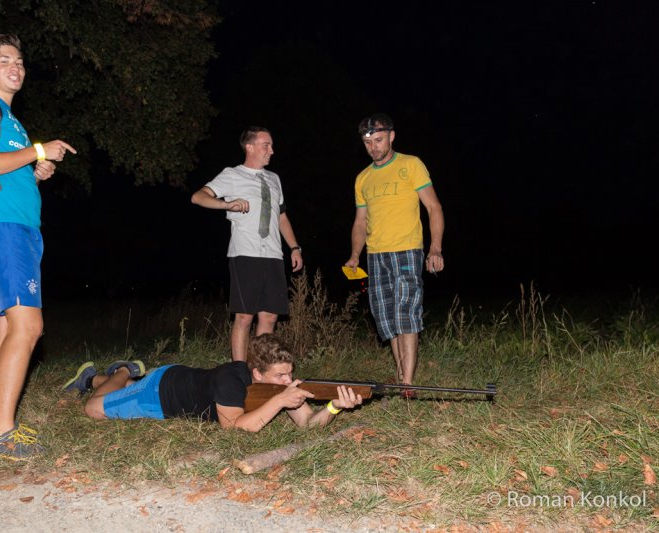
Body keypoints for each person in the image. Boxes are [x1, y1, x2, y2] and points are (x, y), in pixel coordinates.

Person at [0, 34, 76, 460]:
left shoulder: (12, 120)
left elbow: (6, 168)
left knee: (6, 327)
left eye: (20, 60)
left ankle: (0, 422)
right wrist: (38, 150)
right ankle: (1, 434)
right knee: (29, 327)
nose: (15, 66)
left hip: (20, 229)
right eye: (4, 60)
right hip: (2, 228)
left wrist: (34, 170)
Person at [63, 334, 363, 432]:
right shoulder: (230, 381)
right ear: (257, 373)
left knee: (125, 393)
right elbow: (235, 428)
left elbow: (308, 424)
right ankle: (120, 371)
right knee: (92, 409)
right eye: (280, 376)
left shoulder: (274, 388)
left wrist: (334, 407)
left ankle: (106, 379)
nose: (288, 381)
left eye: (289, 373)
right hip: (161, 391)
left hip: (181, 382)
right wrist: (279, 401)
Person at [345, 113, 445, 390]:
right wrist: (355, 254)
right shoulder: (363, 178)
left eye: (378, 140)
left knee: (406, 312)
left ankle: (408, 384)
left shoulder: (411, 164)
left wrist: (435, 248)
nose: (373, 147)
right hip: (376, 255)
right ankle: (401, 374)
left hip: (407, 249)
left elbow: (433, 207)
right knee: (387, 316)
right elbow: (360, 222)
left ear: (391, 136)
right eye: (368, 143)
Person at [191, 127, 303, 362]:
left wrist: (294, 247)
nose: (271, 150)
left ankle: (260, 368)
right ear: (249, 147)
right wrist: (226, 205)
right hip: (245, 254)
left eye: (271, 145)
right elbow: (198, 197)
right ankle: (239, 371)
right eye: (266, 145)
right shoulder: (232, 175)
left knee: (270, 316)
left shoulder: (274, 179)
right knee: (244, 317)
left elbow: (281, 217)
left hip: (273, 254)